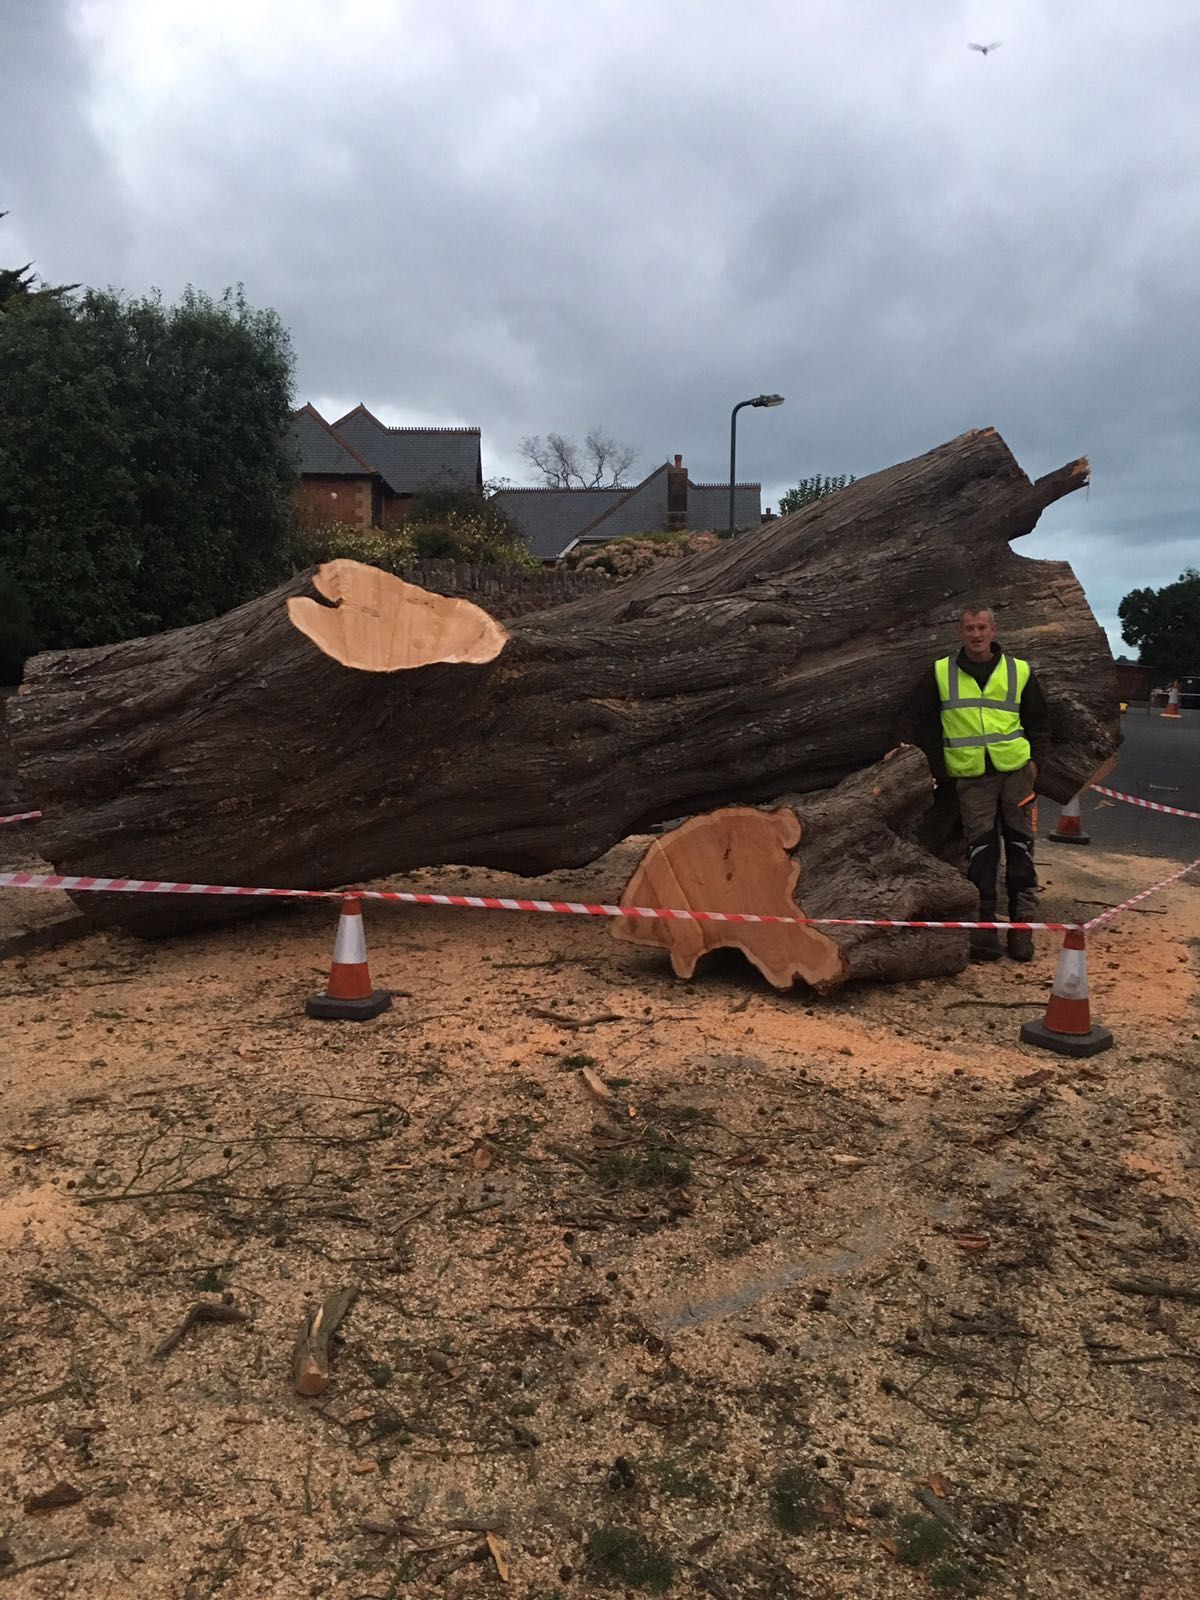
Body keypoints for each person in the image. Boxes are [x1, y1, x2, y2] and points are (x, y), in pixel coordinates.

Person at [899, 606, 1052, 962]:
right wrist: (908, 752)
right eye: (969, 628)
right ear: (960, 632)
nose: (976, 634)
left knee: (1021, 848)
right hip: (971, 777)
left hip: (1016, 774)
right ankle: (984, 932)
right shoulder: (941, 672)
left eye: (982, 627)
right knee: (981, 852)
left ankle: (1022, 928)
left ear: (994, 630)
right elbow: (911, 715)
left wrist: (1035, 764)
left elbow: (1040, 721)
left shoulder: (1019, 671)